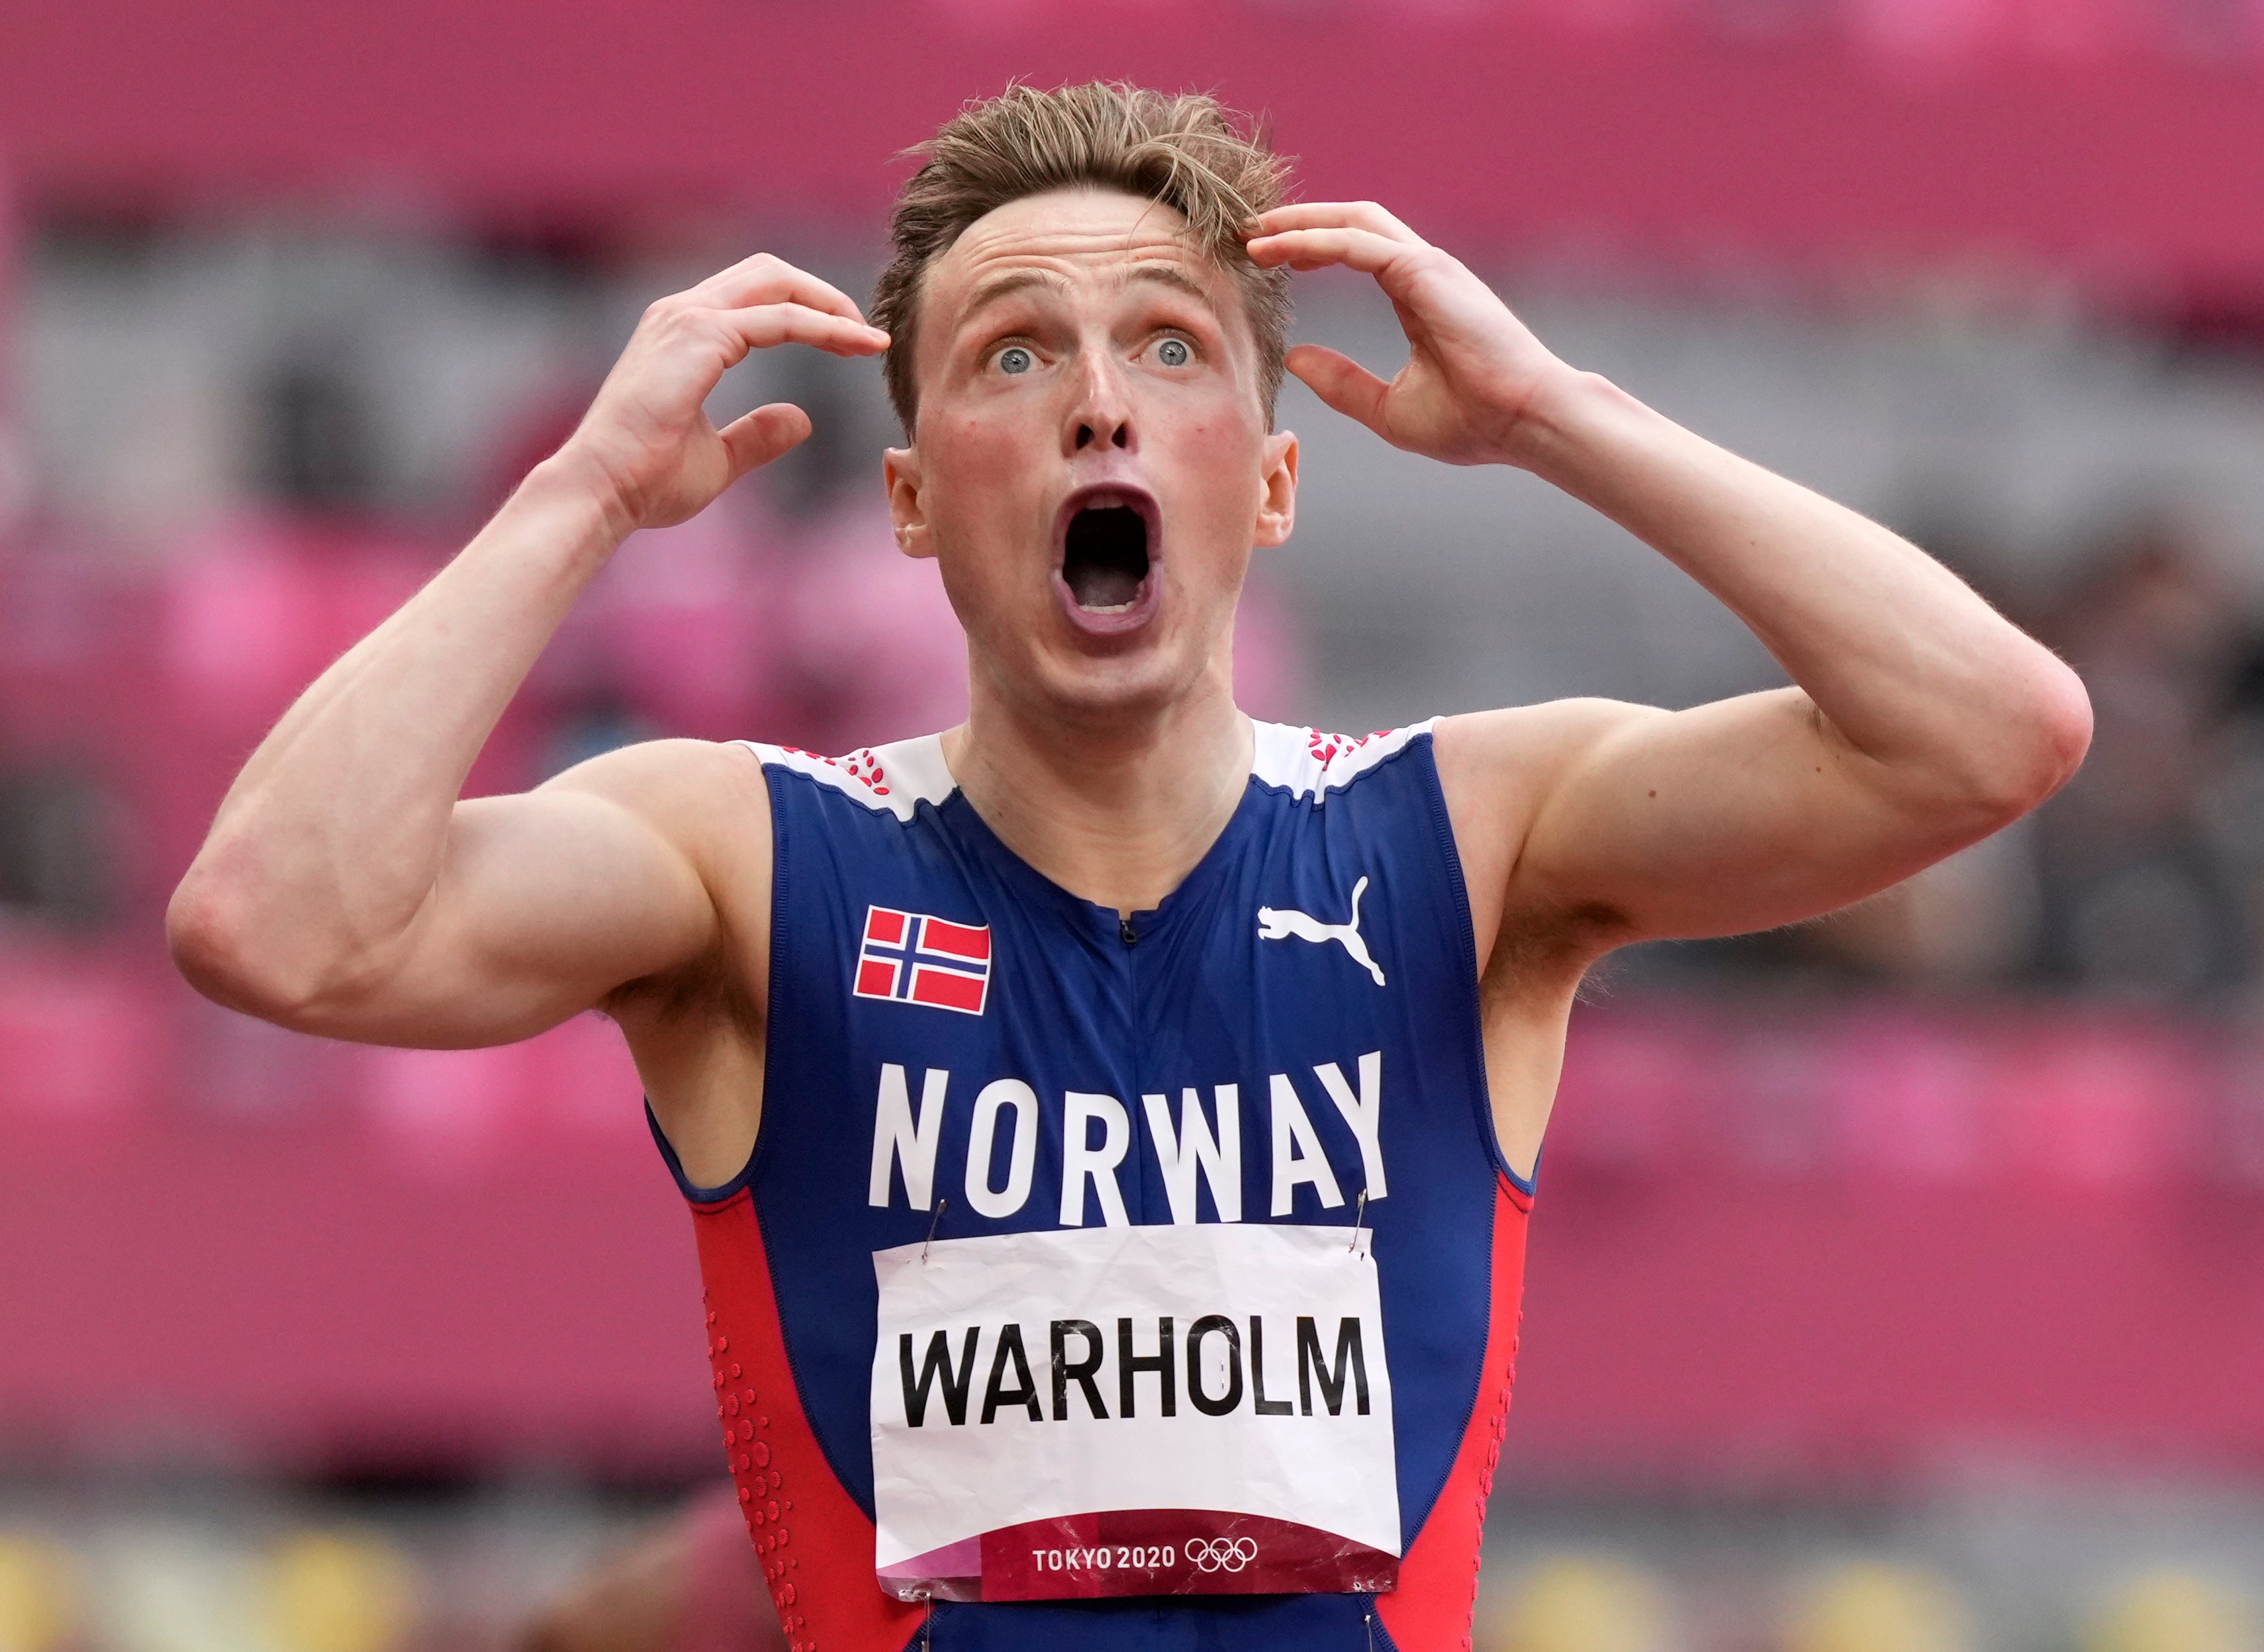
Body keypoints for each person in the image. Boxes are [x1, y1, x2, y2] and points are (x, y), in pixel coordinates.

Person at [168, 83, 2091, 1652]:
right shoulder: (750, 860)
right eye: (1013, 353)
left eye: (1168, 344)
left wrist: (1549, 418)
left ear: (1270, 478)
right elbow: (275, 926)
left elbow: (1991, 734)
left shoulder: (1471, 836)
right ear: (913, 501)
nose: (1097, 398)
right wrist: (580, 496)